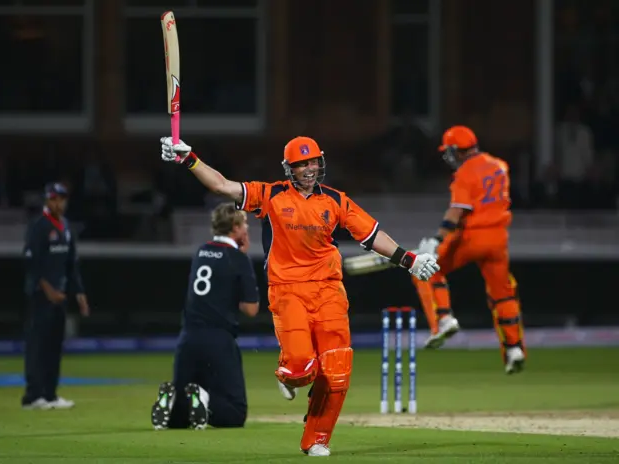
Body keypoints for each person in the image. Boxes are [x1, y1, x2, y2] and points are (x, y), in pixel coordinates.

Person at [160, 135, 440, 456]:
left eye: (312, 162)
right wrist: (189, 159)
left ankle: (316, 439)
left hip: (329, 291)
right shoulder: (271, 195)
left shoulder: (336, 200)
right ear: (288, 168)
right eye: (300, 164)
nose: (308, 169)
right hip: (288, 289)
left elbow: (373, 235)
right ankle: (289, 373)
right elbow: (223, 185)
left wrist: (410, 261)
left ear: (320, 162)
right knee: (301, 368)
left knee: (336, 371)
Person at [415, 125, 526, 374]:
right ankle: (514, 348)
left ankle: (443, 320)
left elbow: (457, 212)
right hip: (499, 239)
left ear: (457, 150)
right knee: (503, 293)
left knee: (428, 269)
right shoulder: (500, 166)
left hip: (473, 236)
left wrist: (436, 239)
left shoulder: (465, 173)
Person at [151, 203, 259, 431]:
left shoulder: (201, 252)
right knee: (234, 413)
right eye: (245, 224)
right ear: (236, 227)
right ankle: (203, 399)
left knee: (181, 419)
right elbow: (251, 309)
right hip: (218, 339)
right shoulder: (238, 259)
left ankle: (174, 406)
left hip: (188, 338)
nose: (247, 228)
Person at [22, 182, 90, 409]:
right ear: (47, 201)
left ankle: (50, 394)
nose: (58, 203)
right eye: (53, 199)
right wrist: (48, 290)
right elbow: (32, 262)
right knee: (38, 346)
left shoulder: (66, 227)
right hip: (41, 297)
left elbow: (72, 263)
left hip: (60, 297)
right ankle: (33, 396)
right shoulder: (39, 226)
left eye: (61, 198)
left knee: (54, 347)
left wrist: (79, 292)